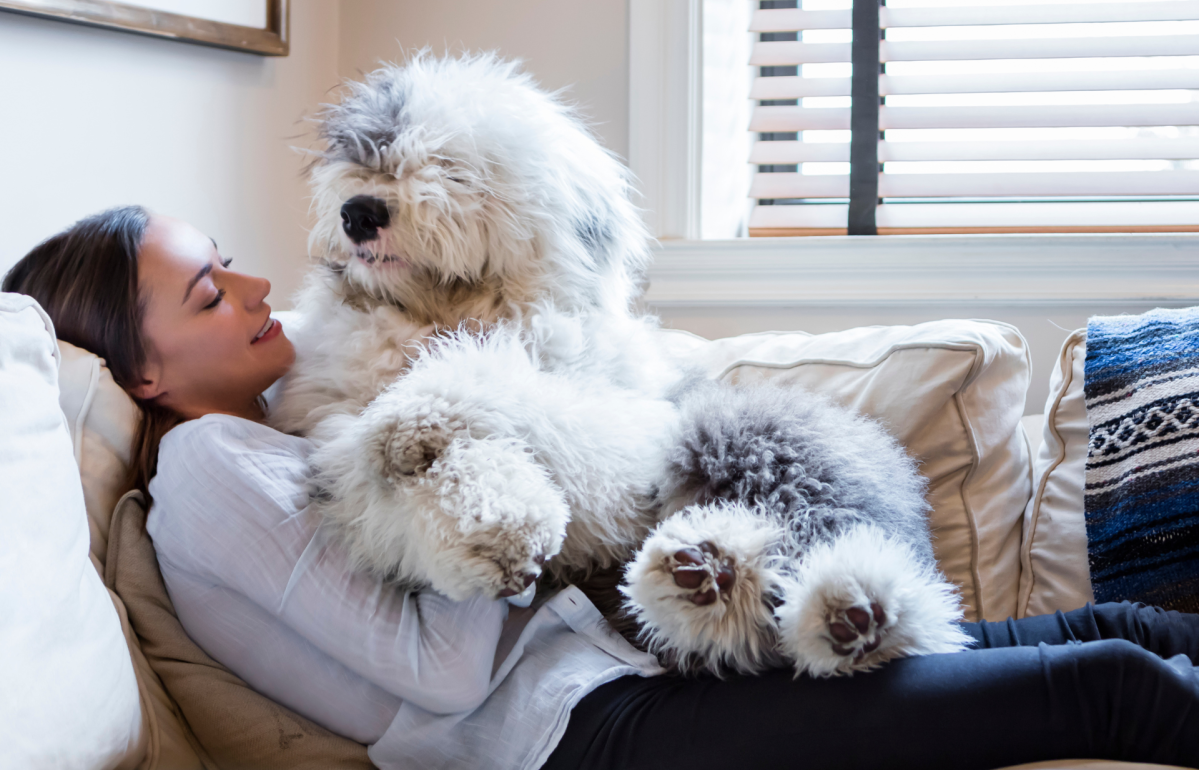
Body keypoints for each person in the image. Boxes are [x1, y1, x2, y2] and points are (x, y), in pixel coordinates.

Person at [6, 204, 1199, 770]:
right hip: (580, 736)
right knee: (1102, 684)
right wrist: (536, 520)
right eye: (210, 294)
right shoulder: (209, 474)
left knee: (1115, 621)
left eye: (227, 259)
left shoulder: (289, 427)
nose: (259, 284)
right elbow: (431, 662)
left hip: (623, 675)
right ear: (141, 369)